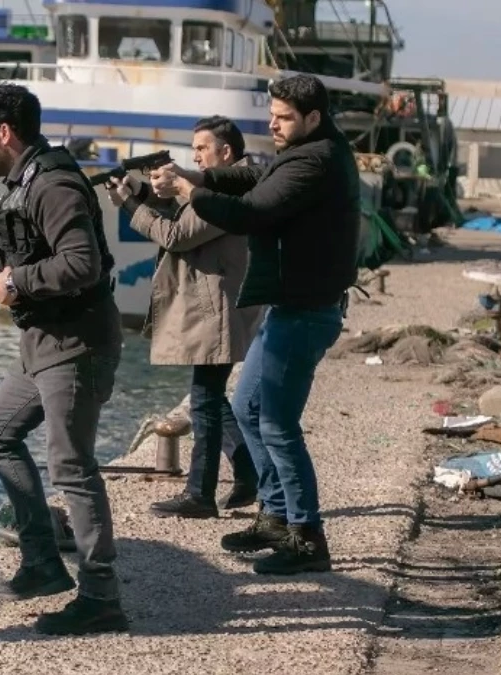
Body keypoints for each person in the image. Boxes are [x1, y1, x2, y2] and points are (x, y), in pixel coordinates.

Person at [150, 74, 360, 575]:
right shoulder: (308, 150)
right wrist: (198, 177)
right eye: (273, 114)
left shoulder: (318, 159)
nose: (273, 123)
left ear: (312, 118)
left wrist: (187, 190)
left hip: (306, 310)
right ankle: (274, 516)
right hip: (290, 306)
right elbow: (254, 177)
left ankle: (307, 539)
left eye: (284, 117)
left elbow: (252, 211)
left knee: (278, 424)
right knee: (246, 405)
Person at [0, 82, 128, 636]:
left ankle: (101, 597)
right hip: (43, 343)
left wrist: (17, 279)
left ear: (4, 133)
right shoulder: (25, 181)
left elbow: (82, 264)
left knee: (72, 465)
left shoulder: (53, 185)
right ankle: (41, 564)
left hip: (77, 345)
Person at [103, 116, 263, 518]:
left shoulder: (231, 190)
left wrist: (129, 205)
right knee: (209, 397)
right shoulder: (226, 182)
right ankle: (247, 473)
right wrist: (142, 189)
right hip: (218, 303)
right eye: (192, 150)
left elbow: (177, 234)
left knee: (205, 400)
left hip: (217, 306)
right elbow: (183, 203)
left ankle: (200, 495)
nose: (194, 158)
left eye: (201, 150)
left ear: (225, 152)